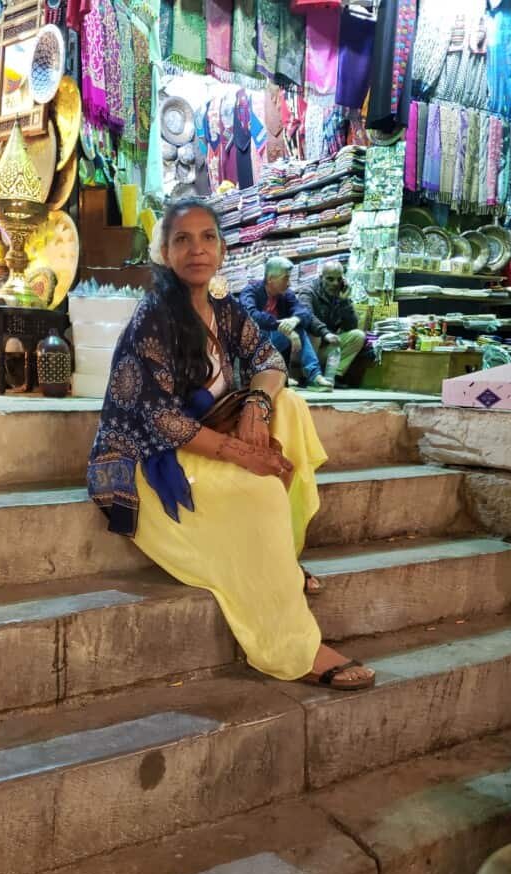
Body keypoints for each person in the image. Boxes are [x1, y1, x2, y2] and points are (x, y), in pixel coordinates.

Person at [87, 198, 375, 690]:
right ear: (164, 251)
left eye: (207, 238)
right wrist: (243, 453)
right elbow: (158, 418)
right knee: (259, 490)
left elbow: (270, 360)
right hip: (151, 459)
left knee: (293, 409)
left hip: (210, 433)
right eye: (182, 239)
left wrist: (256, 406)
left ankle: (280, 556)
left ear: (221, 248)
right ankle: (294, 646)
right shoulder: (153, 318)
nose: (196, 249)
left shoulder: (224, 308)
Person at [240, 257, 334, 390]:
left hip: (270, 344)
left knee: (300, 329)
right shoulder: (251, 291)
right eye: (286, 278)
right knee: (265, 329)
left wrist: (294, 320)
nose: (289, 283)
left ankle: (315, 376)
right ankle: (280, 375)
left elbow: (304, 312)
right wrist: (282, 327)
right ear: (271, 278)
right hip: (251, 346)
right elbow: (251, 316)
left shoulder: (285, 294)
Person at [296, 261, 366, 386]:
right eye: (330, 279)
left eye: (339, 279)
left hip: (326, 347)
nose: (335, 283)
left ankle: (334, 377)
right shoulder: (308, 292)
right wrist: (325, 333)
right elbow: (307, 316)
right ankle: (308, 375)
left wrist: (344, 302)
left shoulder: (339, 294)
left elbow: (351, 326)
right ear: (321, 277)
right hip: (305, 349)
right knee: (314, 334)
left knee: (358, 336)